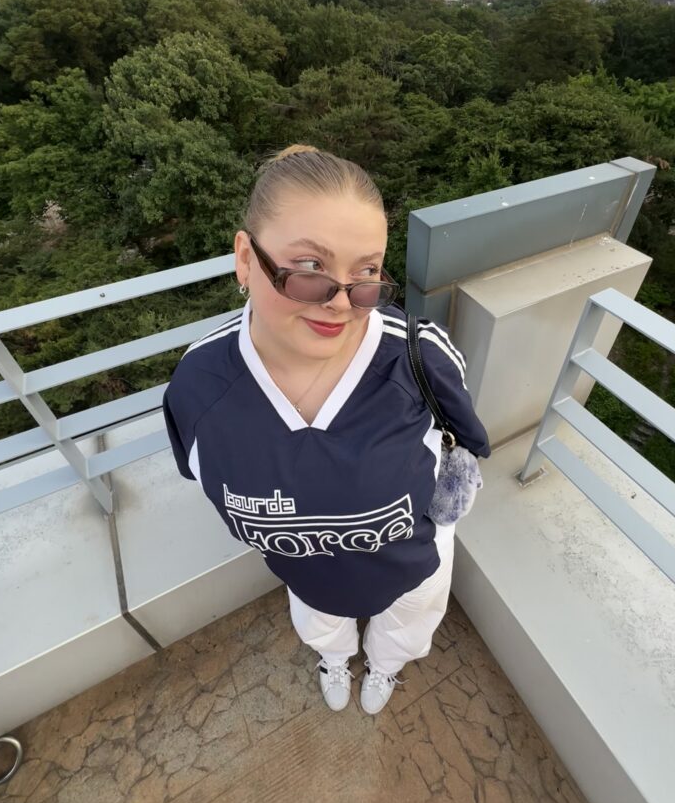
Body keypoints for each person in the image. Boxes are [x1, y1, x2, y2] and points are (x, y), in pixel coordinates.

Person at [162, 145, 491, 715]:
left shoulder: (418, 358)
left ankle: (385, 667)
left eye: (366, 273)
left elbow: (464, 444)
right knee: (320, 625)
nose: (341, 303)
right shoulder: (199, 387)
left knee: (407, 628)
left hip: (415, 567)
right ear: (245, 258)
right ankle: (334, 659)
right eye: (310, 268)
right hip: (307, 576)